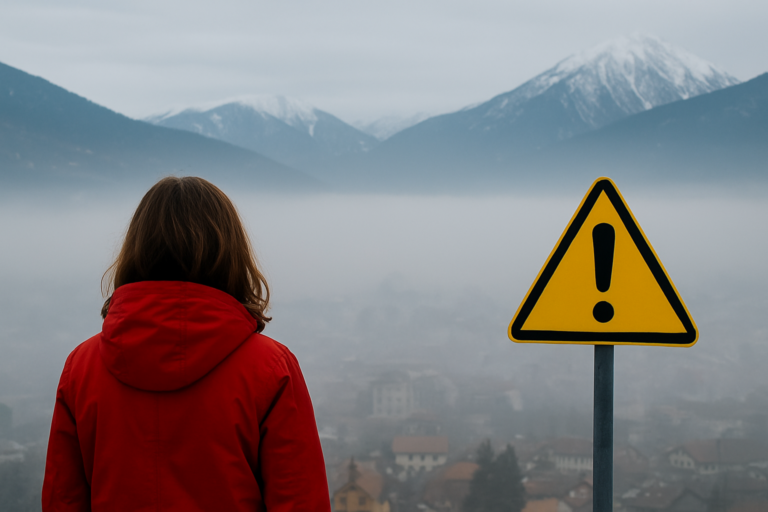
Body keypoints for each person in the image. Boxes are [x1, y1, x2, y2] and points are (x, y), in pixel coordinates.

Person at [42, 176, 330, 511]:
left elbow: (62, 499)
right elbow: (300, 500)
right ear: (230, 253)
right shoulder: (271, 369)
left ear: (136, 250)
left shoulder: (82, 367)